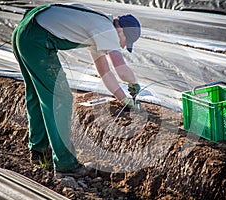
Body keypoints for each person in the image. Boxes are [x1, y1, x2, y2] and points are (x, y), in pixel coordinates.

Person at [11, 3, 141, 178]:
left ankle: (38, 150)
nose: (123, 47)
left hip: (25, 31)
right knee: (61, 97)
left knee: (36, 93)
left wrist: (124, 98)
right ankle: (65, 163)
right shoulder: (108, 30)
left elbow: (105, 73)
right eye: (126, 42)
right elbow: (121, 70)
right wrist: (134, 82)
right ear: (121, 31)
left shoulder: (98, 25)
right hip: (36, 38)